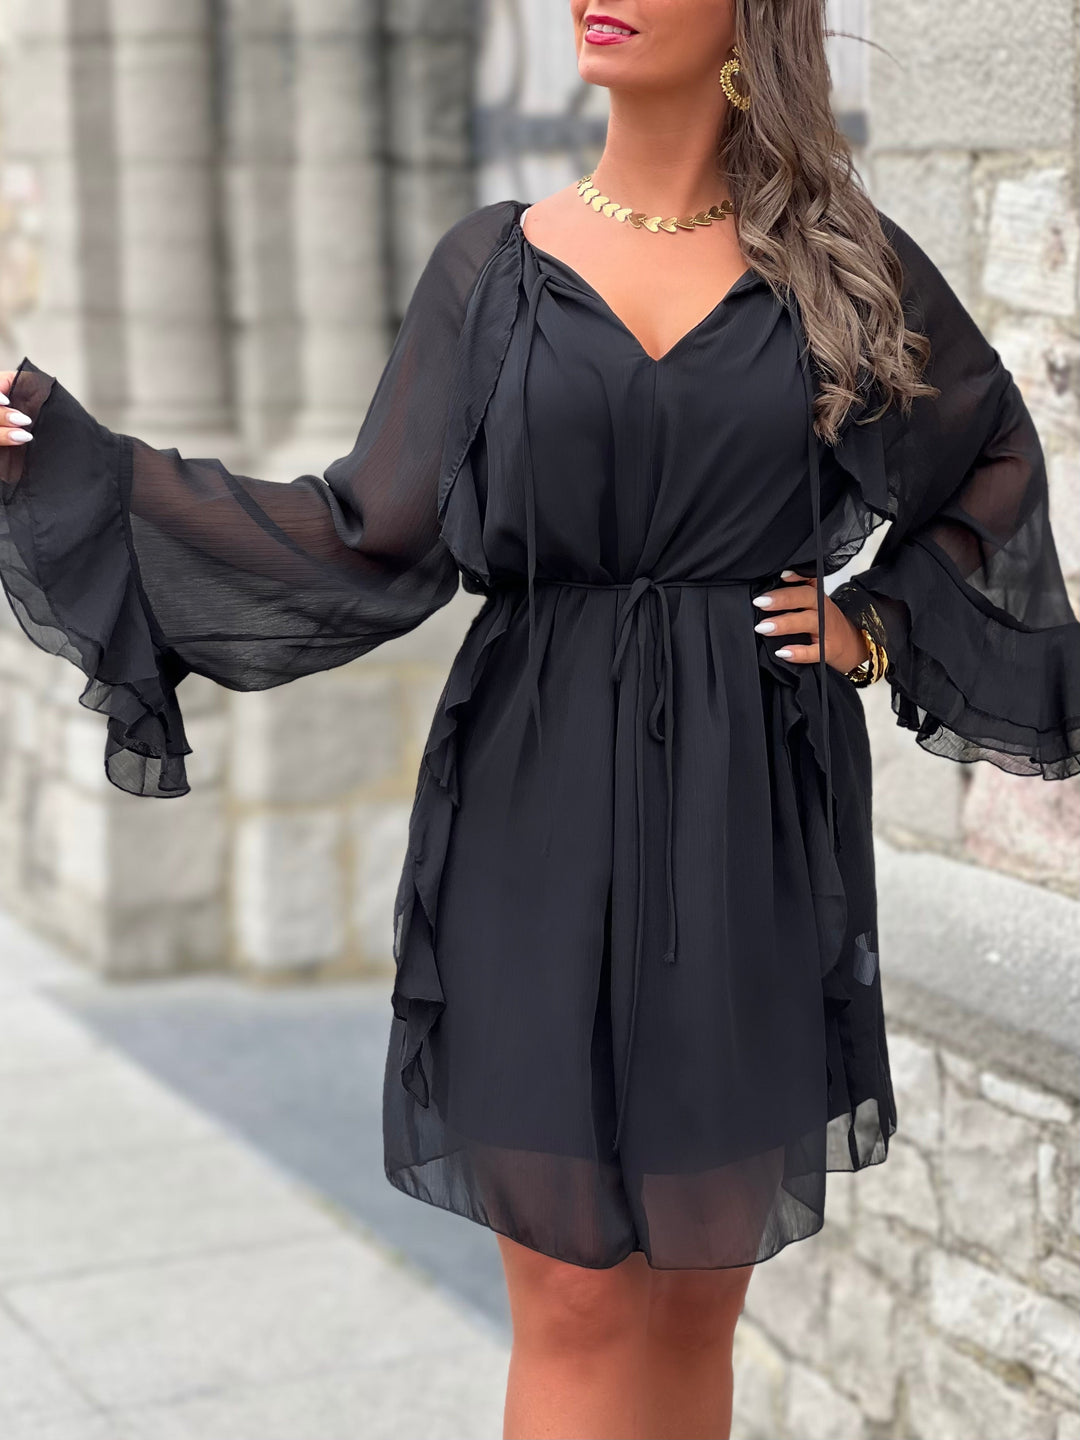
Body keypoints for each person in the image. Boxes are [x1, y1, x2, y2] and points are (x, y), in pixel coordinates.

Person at [2, 2, 1078, 1437]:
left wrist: (873, 626)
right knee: (572, 1298)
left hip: (748, 809)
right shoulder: (492, 270)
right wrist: (59, 455)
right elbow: (360, 534)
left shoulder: (839, 265)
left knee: (695, 1294)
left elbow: (993, 455)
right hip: (533, 801)